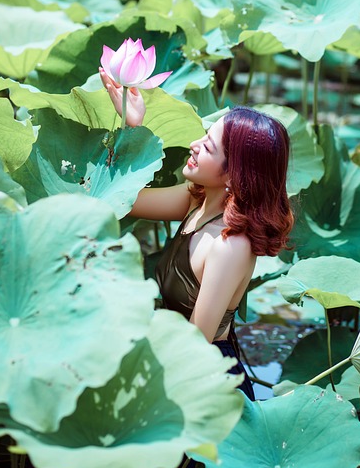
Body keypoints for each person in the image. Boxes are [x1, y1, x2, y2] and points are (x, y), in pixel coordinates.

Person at [100, 69, 294, 400]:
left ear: (235, 174)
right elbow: (124, 200)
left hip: (205, 385)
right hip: (168, 360)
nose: (193, 144)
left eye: (207, 145)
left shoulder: (230, 245)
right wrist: (131, 127)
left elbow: (196, 341)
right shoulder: (197, 200)